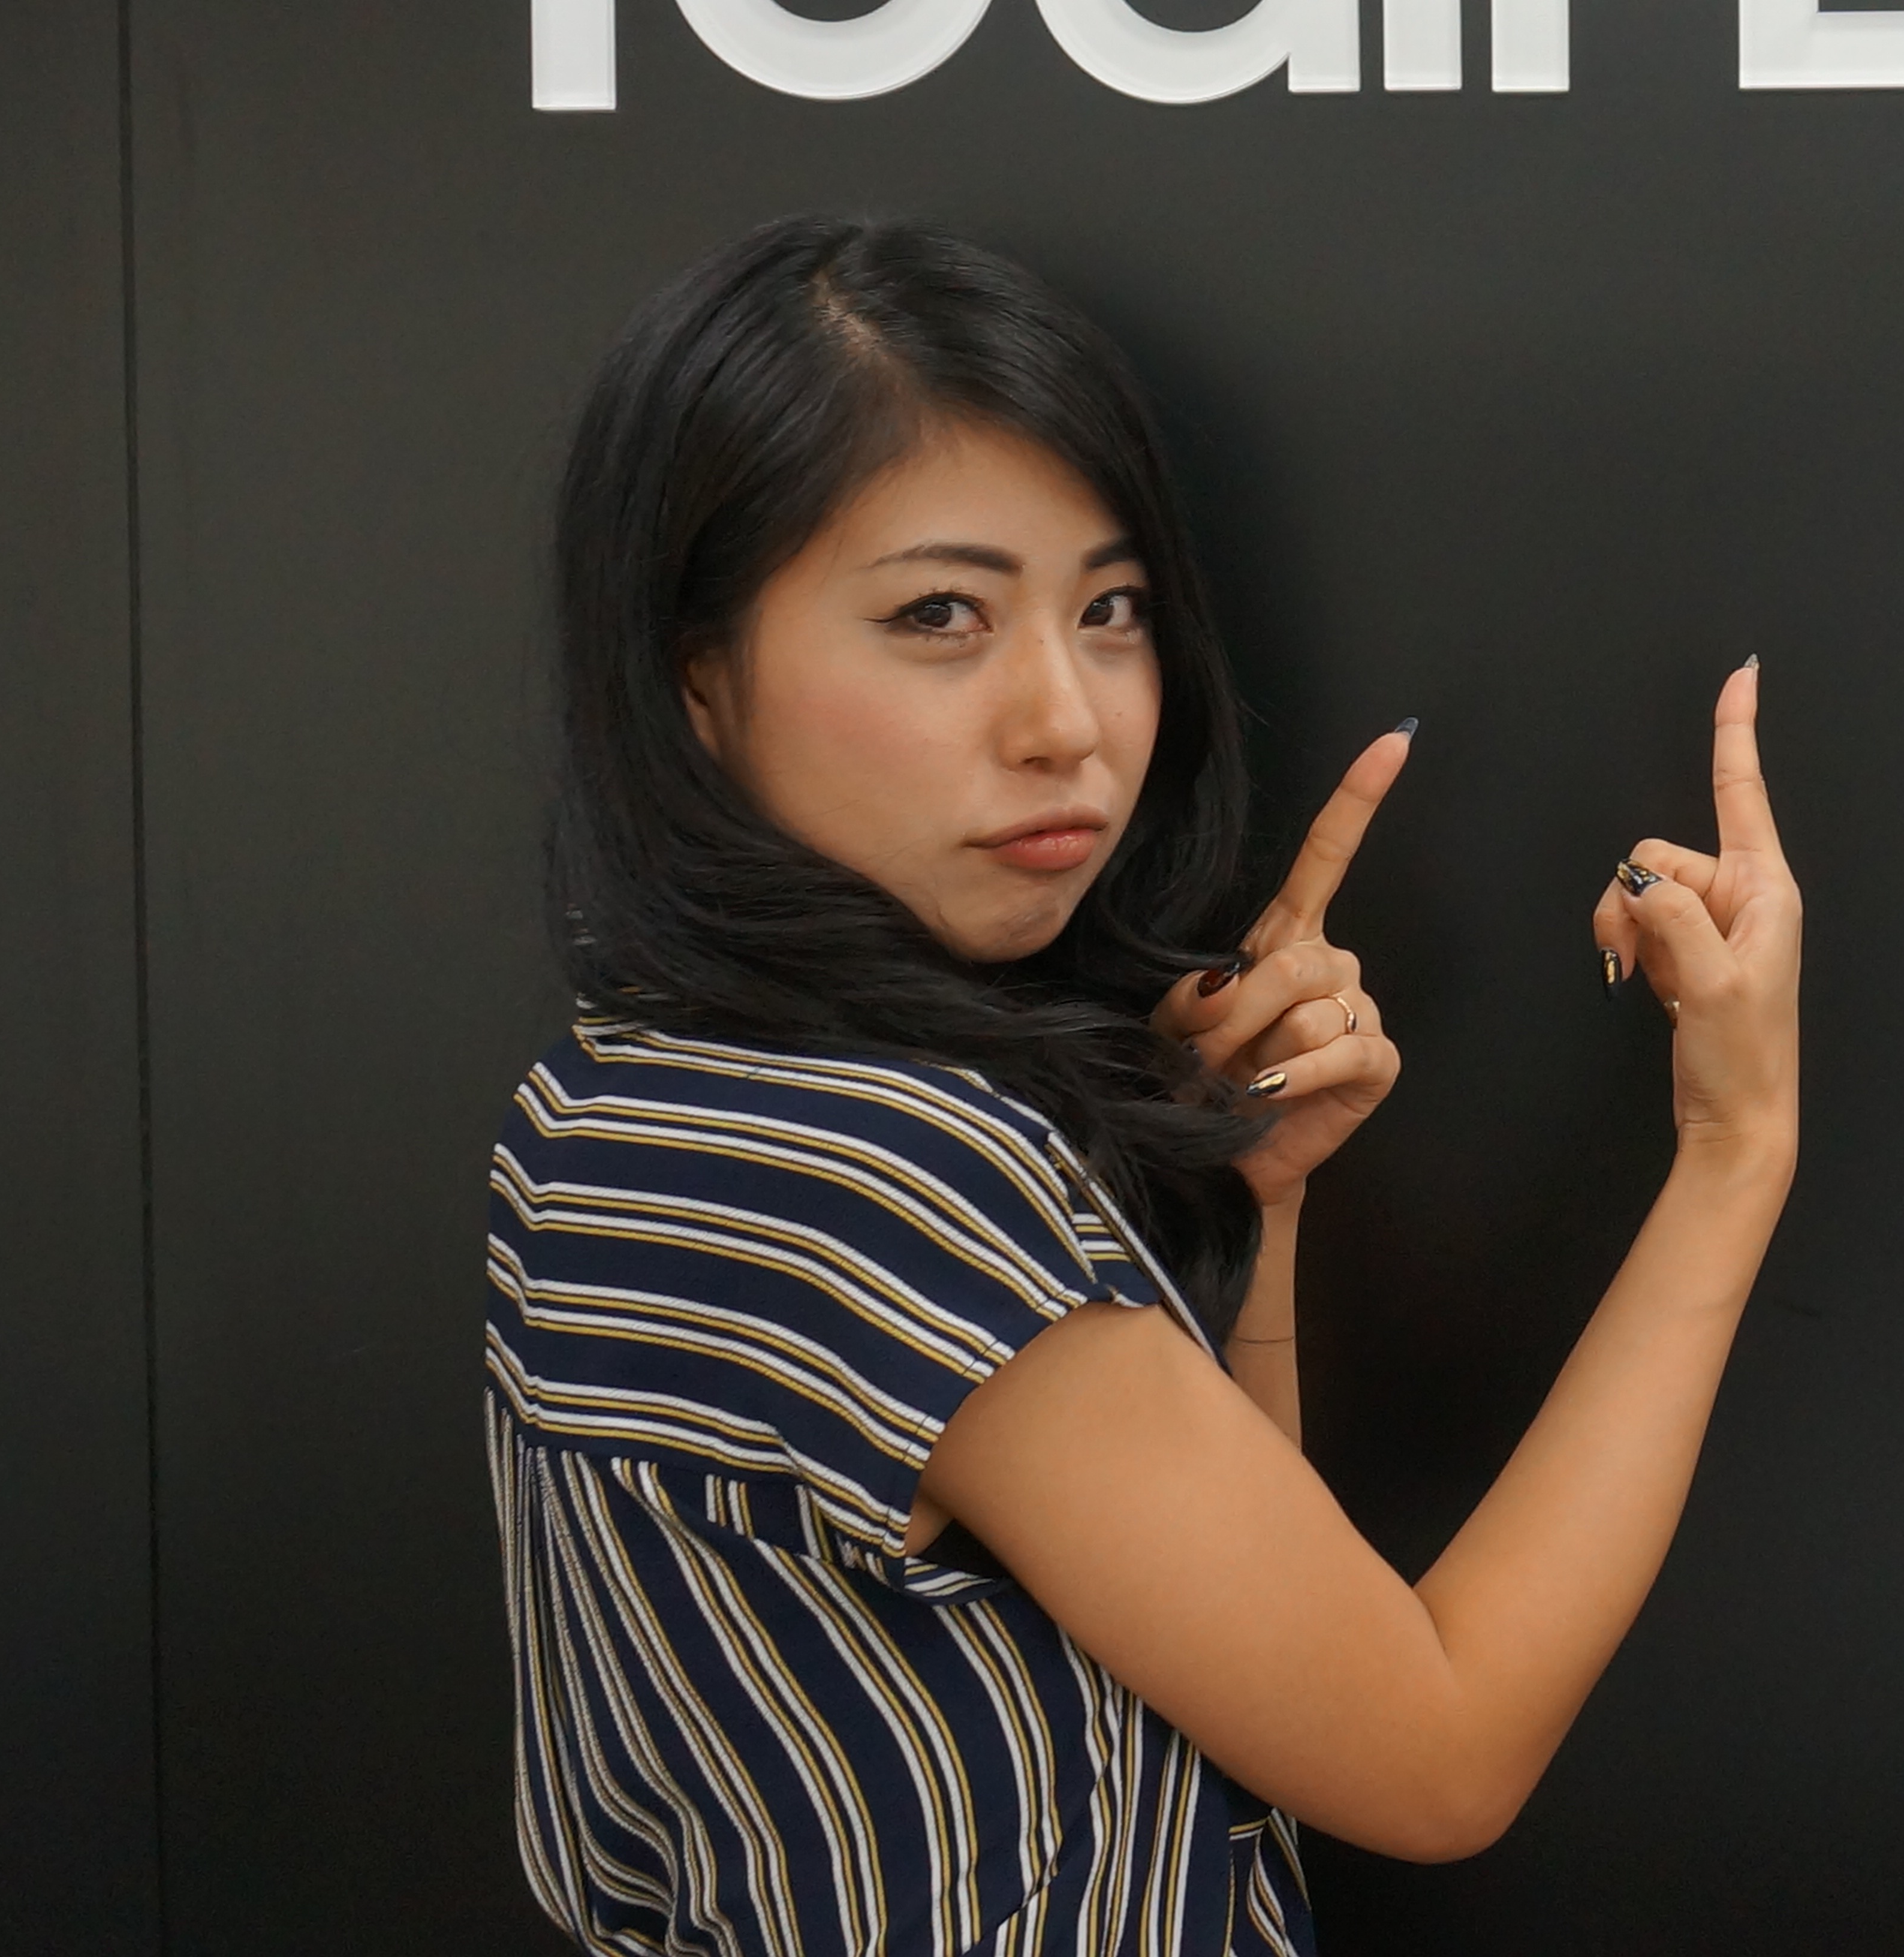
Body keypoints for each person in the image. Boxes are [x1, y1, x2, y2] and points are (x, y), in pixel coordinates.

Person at [487, 213, 1802, 1957]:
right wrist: (1733, 1145)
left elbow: (1231, 1679)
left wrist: (1244, 1209)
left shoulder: (608, 1093)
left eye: (1109, 610)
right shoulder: (893, 1175)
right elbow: (1440, 1755)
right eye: (940, 615)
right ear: (697, 672)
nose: (1068, 719)